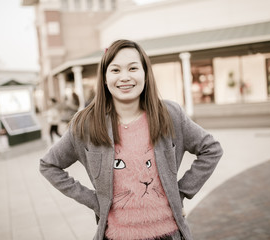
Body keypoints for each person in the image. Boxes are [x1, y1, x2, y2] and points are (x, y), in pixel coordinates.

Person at [40, 39, 223, 240]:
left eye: (133, 68)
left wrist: (180, 193)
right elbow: (49, 165)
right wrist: (95, 201)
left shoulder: (170, 115)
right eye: (115, 70)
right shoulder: (86, 123)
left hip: (168, 234)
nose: (125, 77)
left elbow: (211, 149)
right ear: (104, 77)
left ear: (145, 73)